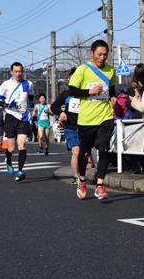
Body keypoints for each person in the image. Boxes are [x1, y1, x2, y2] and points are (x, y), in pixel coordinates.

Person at [68, 40, 116, 200]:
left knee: (104, 150)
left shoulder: (111, 71)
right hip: (86, 119)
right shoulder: (82, 70)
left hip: (105, 117)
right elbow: (72, 91)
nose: (102, 57)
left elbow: (113, 90)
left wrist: (114, 98)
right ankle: (82, 180)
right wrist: (89, 91)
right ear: (92, 53)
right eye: (99, 54)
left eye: (105, 55)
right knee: (84, 153)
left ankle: (100, 185)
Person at [0, 62, 34, 182]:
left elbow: (31, 96)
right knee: (11, 148)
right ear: (11, 72)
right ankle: (8, 160)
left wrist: (30, 106)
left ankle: (20, 171)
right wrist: (6, 104)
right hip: (10, 117)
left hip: (24, 117)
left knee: (22, 144)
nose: (18, 74)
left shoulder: (28, 84)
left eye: (20, 71)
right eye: (15, 71)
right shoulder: (6, 84)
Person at [50, 68, 82, 184]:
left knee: (84, 153)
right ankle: (76, 176)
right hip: (70, 126)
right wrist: (61, 113)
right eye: (73, 78)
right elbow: (53, 106)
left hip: (86, 126)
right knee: (76, 152)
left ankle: (85, 170)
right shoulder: (66, 94)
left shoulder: (88, 93)